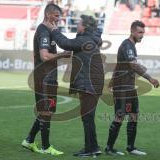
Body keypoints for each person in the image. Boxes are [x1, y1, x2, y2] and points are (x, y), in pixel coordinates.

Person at [45, 15, 104, 157]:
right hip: (93, 83)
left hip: (89, 84)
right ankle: (93, 147)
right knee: (88, 117)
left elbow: (65, 43)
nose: (77, 25)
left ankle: (91, 149)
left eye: (79, 23)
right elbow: (71, 42)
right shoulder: (90, 38)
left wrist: (54, 30)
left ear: (84, 26)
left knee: (87, 117)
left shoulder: (85, 40)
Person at [21, 3, 71, 156]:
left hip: (50, 78)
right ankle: (45, 147)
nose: (58, 19)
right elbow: (44, 56)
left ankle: (29, 140)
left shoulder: (51, 31)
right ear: (48, 14)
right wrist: (62, 55)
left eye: (59, 16)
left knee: (48, 111)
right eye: (56, 16)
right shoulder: (43, 31)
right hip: (43, 78)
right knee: (46, 111)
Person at [105, 20, 160, 156]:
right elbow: (133, 65)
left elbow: (120, 66)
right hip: (122, 88)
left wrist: (111, 82)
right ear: (132, 31)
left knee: (134, 115)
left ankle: (131, 147)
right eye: (139, 32)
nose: (142, 35)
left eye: (143, 33)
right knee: (119, 117)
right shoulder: (127, 45)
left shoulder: (131, 45)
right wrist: (150, 78)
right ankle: (109, 148)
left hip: (128, 86)